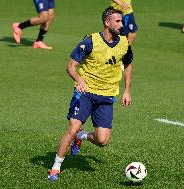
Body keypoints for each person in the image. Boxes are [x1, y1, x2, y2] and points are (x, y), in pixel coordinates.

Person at [47, 7, 133, 181]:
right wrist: (79, 79)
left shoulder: (124, 43)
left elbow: (128, 64)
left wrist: (127, 90)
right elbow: (70, 66)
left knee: (102, 141)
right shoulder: (90, 42)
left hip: (107, 96)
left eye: (121, 21)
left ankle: (81, 136)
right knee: (72, 129)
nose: (121, 24)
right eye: (117, 21)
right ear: (107, 23)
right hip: (85, 93)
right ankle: (55, 167)